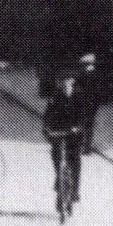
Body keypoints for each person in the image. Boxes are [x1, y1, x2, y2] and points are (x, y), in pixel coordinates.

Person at [41, 64, 87, 208]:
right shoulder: (56, 95)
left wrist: (78, 127)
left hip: (74, 132)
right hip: (59, 131)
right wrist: (46, 128)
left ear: (72, 82)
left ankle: (75, 190)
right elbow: (48, 114)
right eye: (63, 81)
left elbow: (84, 116)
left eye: (68, 80)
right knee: (55, 156)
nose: (66, 83)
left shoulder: (79, 95)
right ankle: (59, 182)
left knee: (75, 159)